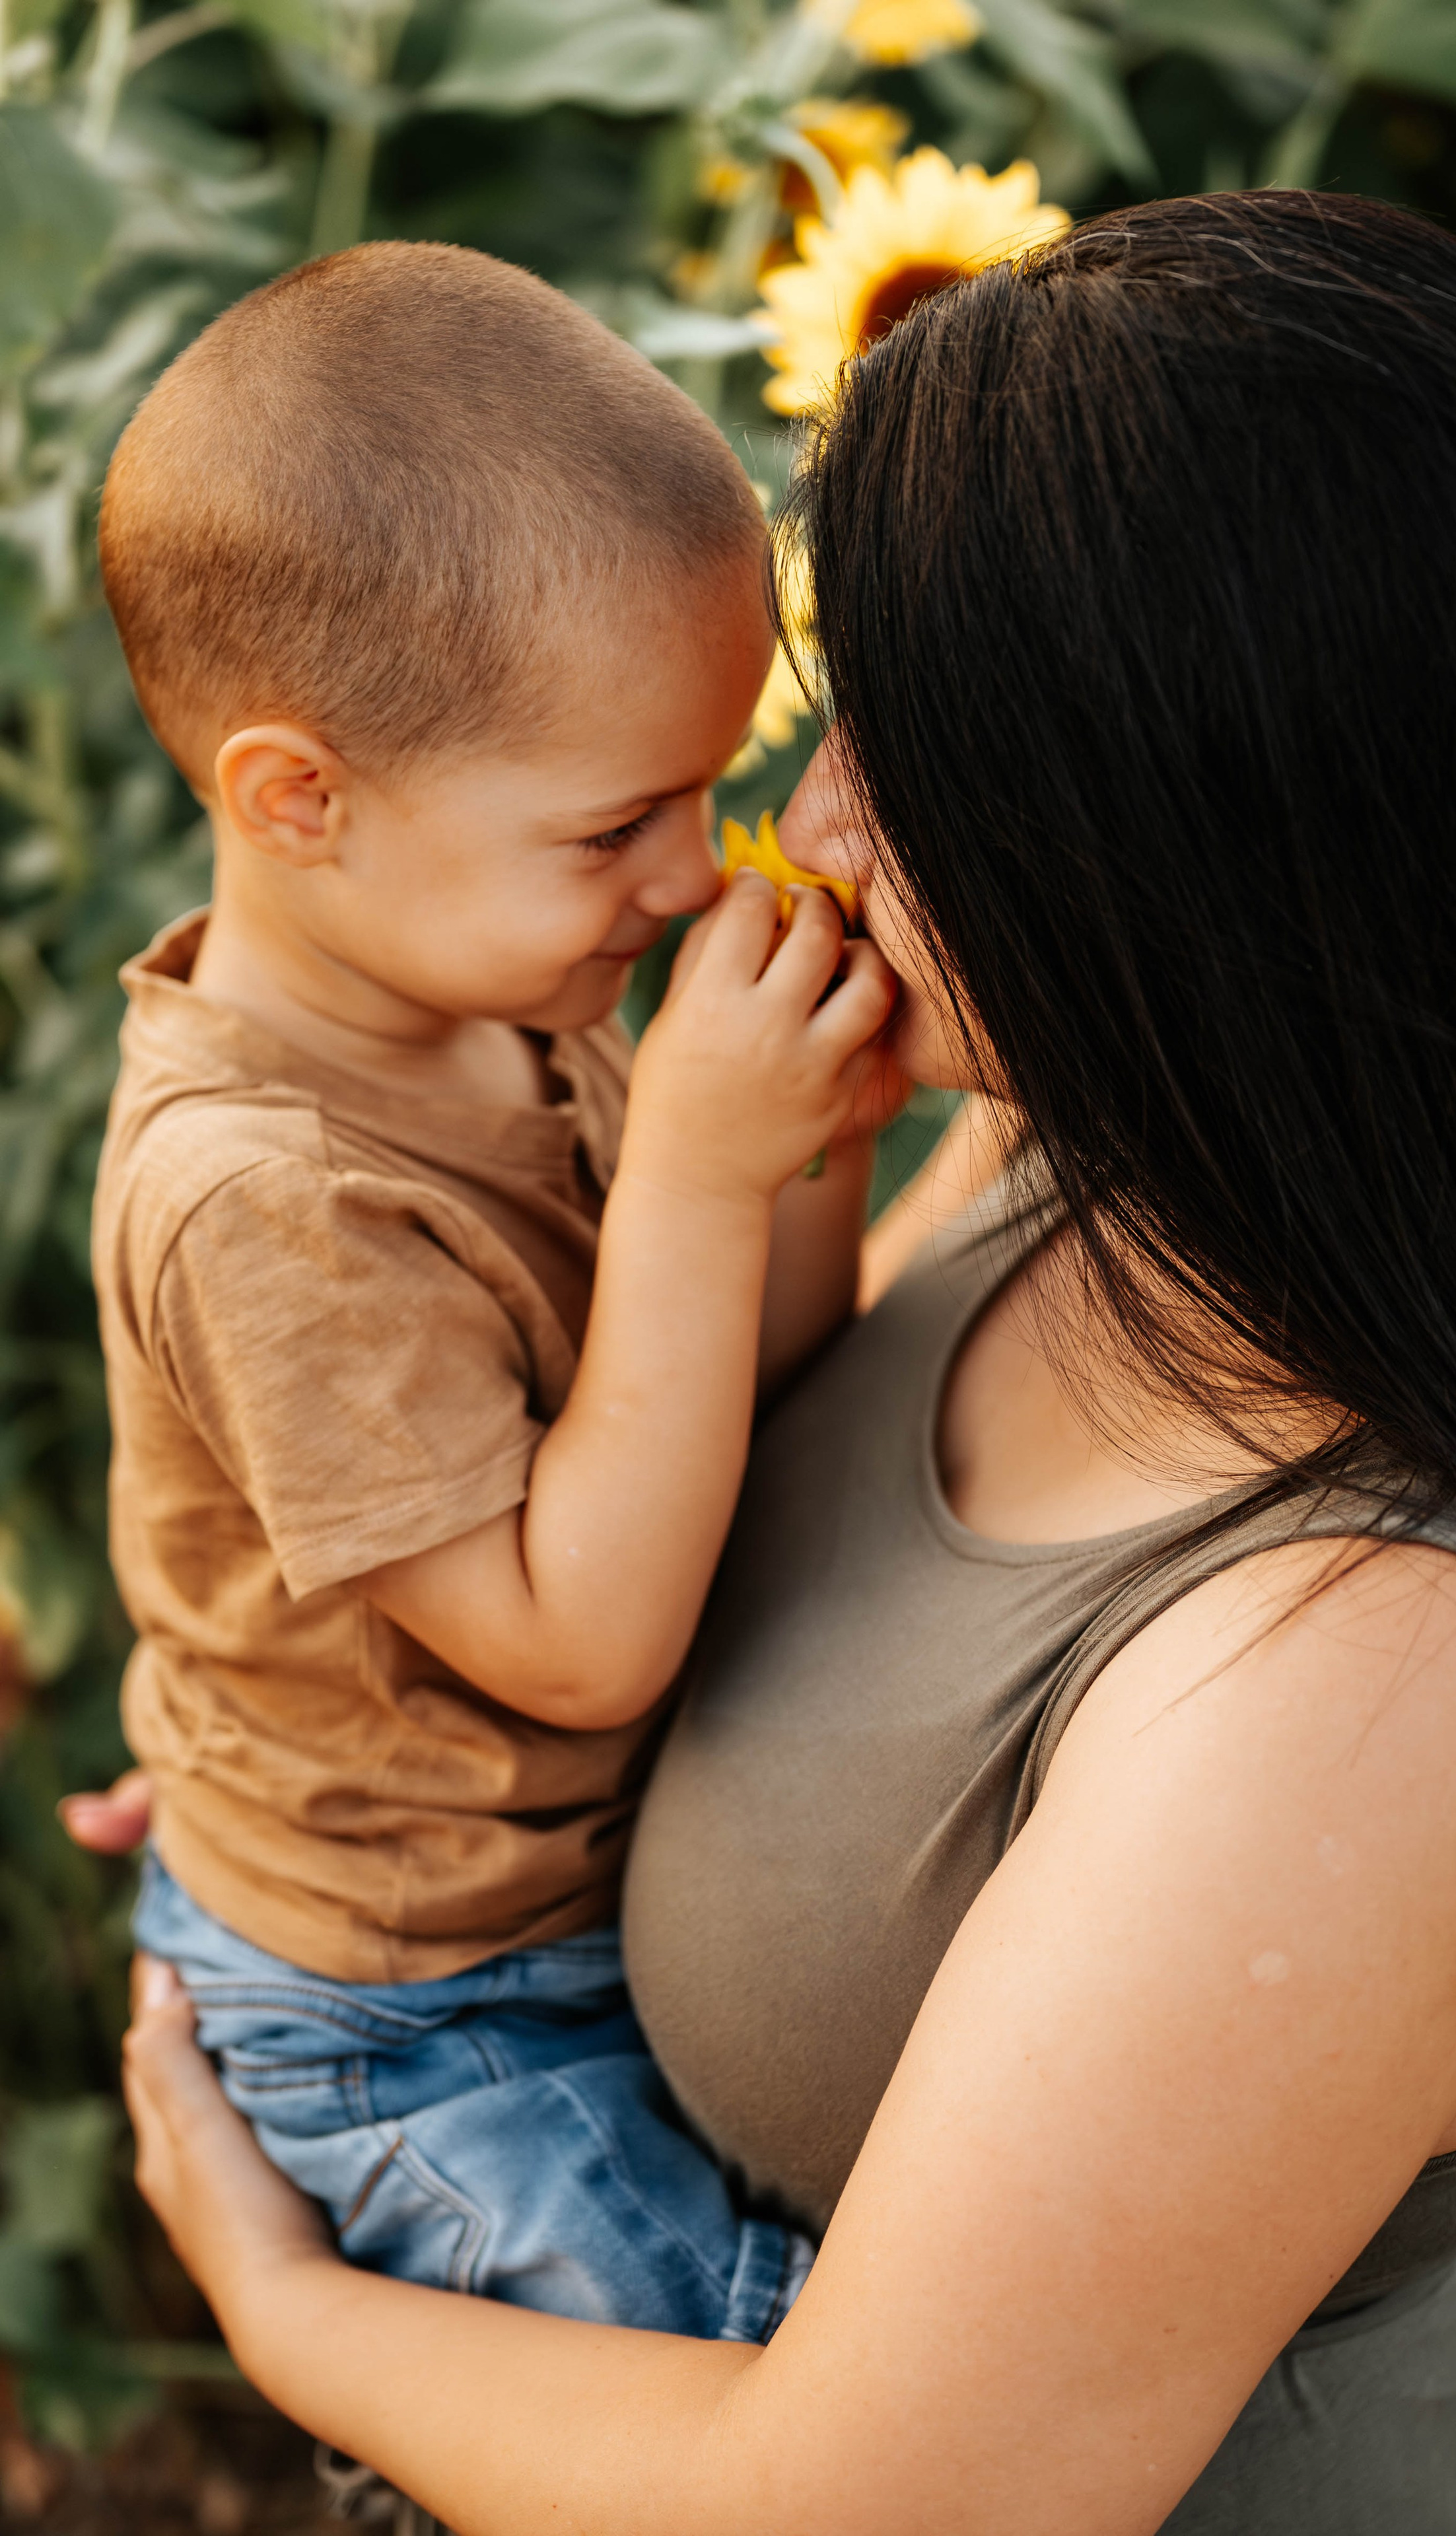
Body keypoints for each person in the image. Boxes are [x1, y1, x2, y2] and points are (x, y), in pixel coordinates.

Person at [111, 188, 1456, 2533]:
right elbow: (696, 1469)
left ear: (1183, 855)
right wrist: (319, 1701)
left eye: (903, 747)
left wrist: (281, 2307)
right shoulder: (1117, 1165)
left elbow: (859, 2506)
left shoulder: (1377, 1691)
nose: (800, 827)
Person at [89, 237, 900, 2344]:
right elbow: (581, 1635)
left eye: (710, 791)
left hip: (531, 1908)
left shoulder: (491, 994)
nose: (693, 872)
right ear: (300, 801)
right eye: (620, 821)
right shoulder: (261, 1191)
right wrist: (709, 1169)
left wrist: (816, 1143)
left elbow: (744, 1383)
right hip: (420, 2008)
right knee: (736, 2386)